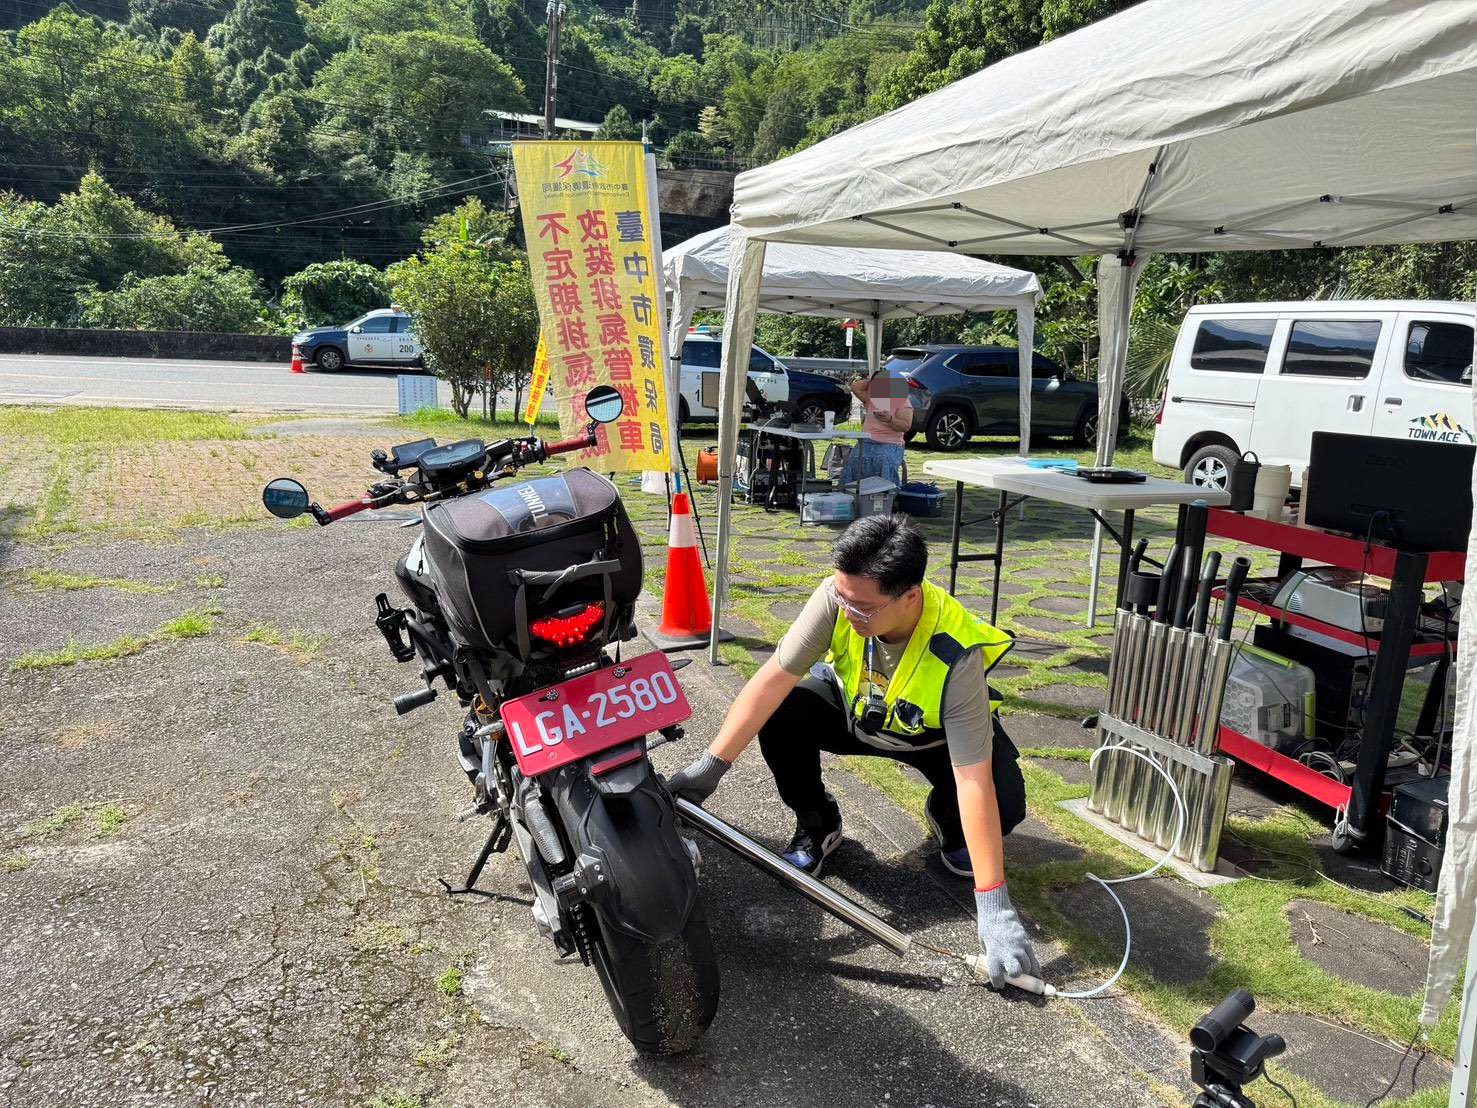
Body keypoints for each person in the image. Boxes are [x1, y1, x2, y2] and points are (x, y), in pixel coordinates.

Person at [668, 514, 1040, 987]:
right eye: (842, 599)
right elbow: (770, 681)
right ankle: (818, 822)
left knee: (1004, 799)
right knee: (785, 708)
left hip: (932, 740)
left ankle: (946, 823)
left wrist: (995, 906)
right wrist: (711, 767)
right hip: (854, 715)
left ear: (909, 596)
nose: (847, 612)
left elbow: (973, 777)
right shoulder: (838, 596)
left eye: (862, 607)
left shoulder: (956, 652)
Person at [841, 365, 911, 485]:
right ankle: (853, 493)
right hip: (867, 442)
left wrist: (889, 419)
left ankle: (885, 496)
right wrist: (872, 380)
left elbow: (905, 426)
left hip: (890, 443)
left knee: (883, 460)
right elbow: (855, 387)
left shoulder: (902, 400)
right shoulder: (871, 398)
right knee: (853, 461)